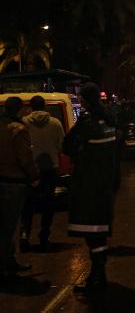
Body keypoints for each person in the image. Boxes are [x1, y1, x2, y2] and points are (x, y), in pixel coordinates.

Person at [63, 83, 121, 294]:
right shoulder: (110, 120)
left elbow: (67, 145)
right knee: (99, 233)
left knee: (92, 233)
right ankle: (99, 274)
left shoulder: (86, 123)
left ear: (85, 101)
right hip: (106, 183)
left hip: (88, 184)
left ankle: (97, 277)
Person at [0, 97, 39, 282]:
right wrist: (34, 176)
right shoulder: (19, 130)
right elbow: (25, 158)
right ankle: (7, 264)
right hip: (13, 182)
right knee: (10, 227)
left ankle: (9, 262)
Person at [20, 95, 65, 252]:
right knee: (48, 204)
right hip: (50, 168)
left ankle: (24, 235)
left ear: (31, 107)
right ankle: (44, 236)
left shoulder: (24, 123)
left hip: (30, 169)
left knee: (28, 204)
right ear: (44, 106)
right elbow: (61, 146)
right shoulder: (55, 123)